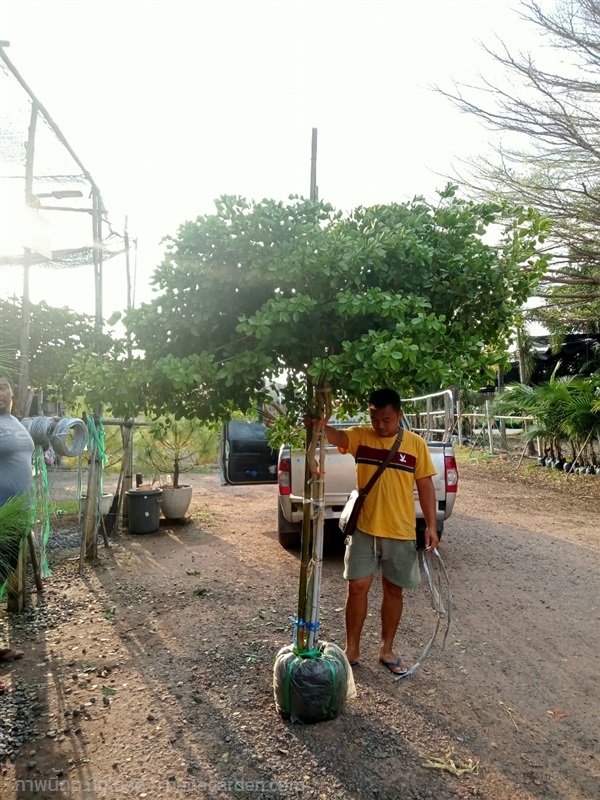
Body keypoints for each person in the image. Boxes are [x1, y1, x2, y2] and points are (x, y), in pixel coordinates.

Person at [320, 388, 438, 676]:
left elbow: (425, 487)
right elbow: (335, 437)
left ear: (399, 415)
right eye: (375, 419)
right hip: (364, 528)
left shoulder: (416, 445)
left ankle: (386, 649)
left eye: (386, 419)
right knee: (357, 586)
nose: (380, 425)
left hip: (399, 530)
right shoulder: (361, 436)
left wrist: (432, 526)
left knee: (393, 589)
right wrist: (320, 422)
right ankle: (352, 649)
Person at [0, 376, 34, 692]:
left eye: (2, 387)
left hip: (17, 518)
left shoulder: (14, 421)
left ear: (11, 392)